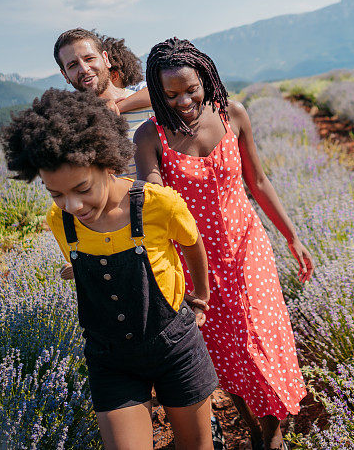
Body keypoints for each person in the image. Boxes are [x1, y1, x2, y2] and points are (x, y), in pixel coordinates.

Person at [0, 88, 219, 449]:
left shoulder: (158, 204)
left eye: (82, 188)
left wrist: (201, 298)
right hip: (110, 357)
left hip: (174, 346)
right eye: (56, 194)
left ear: (107, 161)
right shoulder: (60, 221)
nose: (72, 204)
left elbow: (193, 243)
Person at [134, 38, 313, 450]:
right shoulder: (150, 137)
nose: (183, 101)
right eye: (170, 94)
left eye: (190, 88)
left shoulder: (232, 113)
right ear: (157, 94)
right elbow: (153, 205)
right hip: (196, 262)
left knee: (260, 340)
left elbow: (259, 182)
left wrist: (293, 237)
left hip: (248, 249)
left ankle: (272, 432)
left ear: (206, 77)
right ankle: (251, 424)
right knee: (223, 351)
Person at [53, 28, 152, 177]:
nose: (84, 69)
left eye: (89, 58)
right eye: (73, 65)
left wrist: (117, 106)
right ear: (65, 75)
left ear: (105, 59)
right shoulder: (72, 127)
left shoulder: (149, 107)